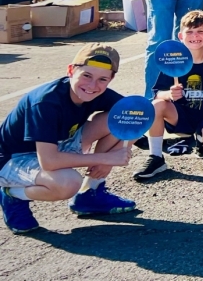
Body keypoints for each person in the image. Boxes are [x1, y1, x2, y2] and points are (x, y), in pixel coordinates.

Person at [0, 44, 135, 234]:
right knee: (68, 183)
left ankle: (90, 194)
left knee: (123, 118)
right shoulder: (46, 101)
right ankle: (12, 194)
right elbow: (49, 161)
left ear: (111, 79)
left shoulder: (97, 91)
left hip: (57, 144)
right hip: (13, 158)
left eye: (102, 79)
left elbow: (139, 117)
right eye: (86, 75)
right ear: (71, 70)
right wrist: (106, 158)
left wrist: (112, 157)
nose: (92, 85)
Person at [134, 11, 203, 180]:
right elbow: (157, 93)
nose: (195, 36)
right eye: (189, 32)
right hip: (181, 114)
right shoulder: (175, 61)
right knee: (157, 105)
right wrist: (169, 94)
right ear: (181, 36)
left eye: (200, 31)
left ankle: (201, 139)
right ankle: (156, 157)